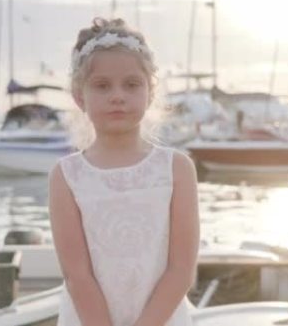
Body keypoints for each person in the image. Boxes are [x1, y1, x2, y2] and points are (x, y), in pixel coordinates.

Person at [48, 17, 199, 326]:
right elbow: (77, 274)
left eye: (131, 84)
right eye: (102, 86)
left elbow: (181, 269)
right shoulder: (66, 176)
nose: (117, 95)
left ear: (150, 92)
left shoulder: (177, 170)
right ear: (80, 97)